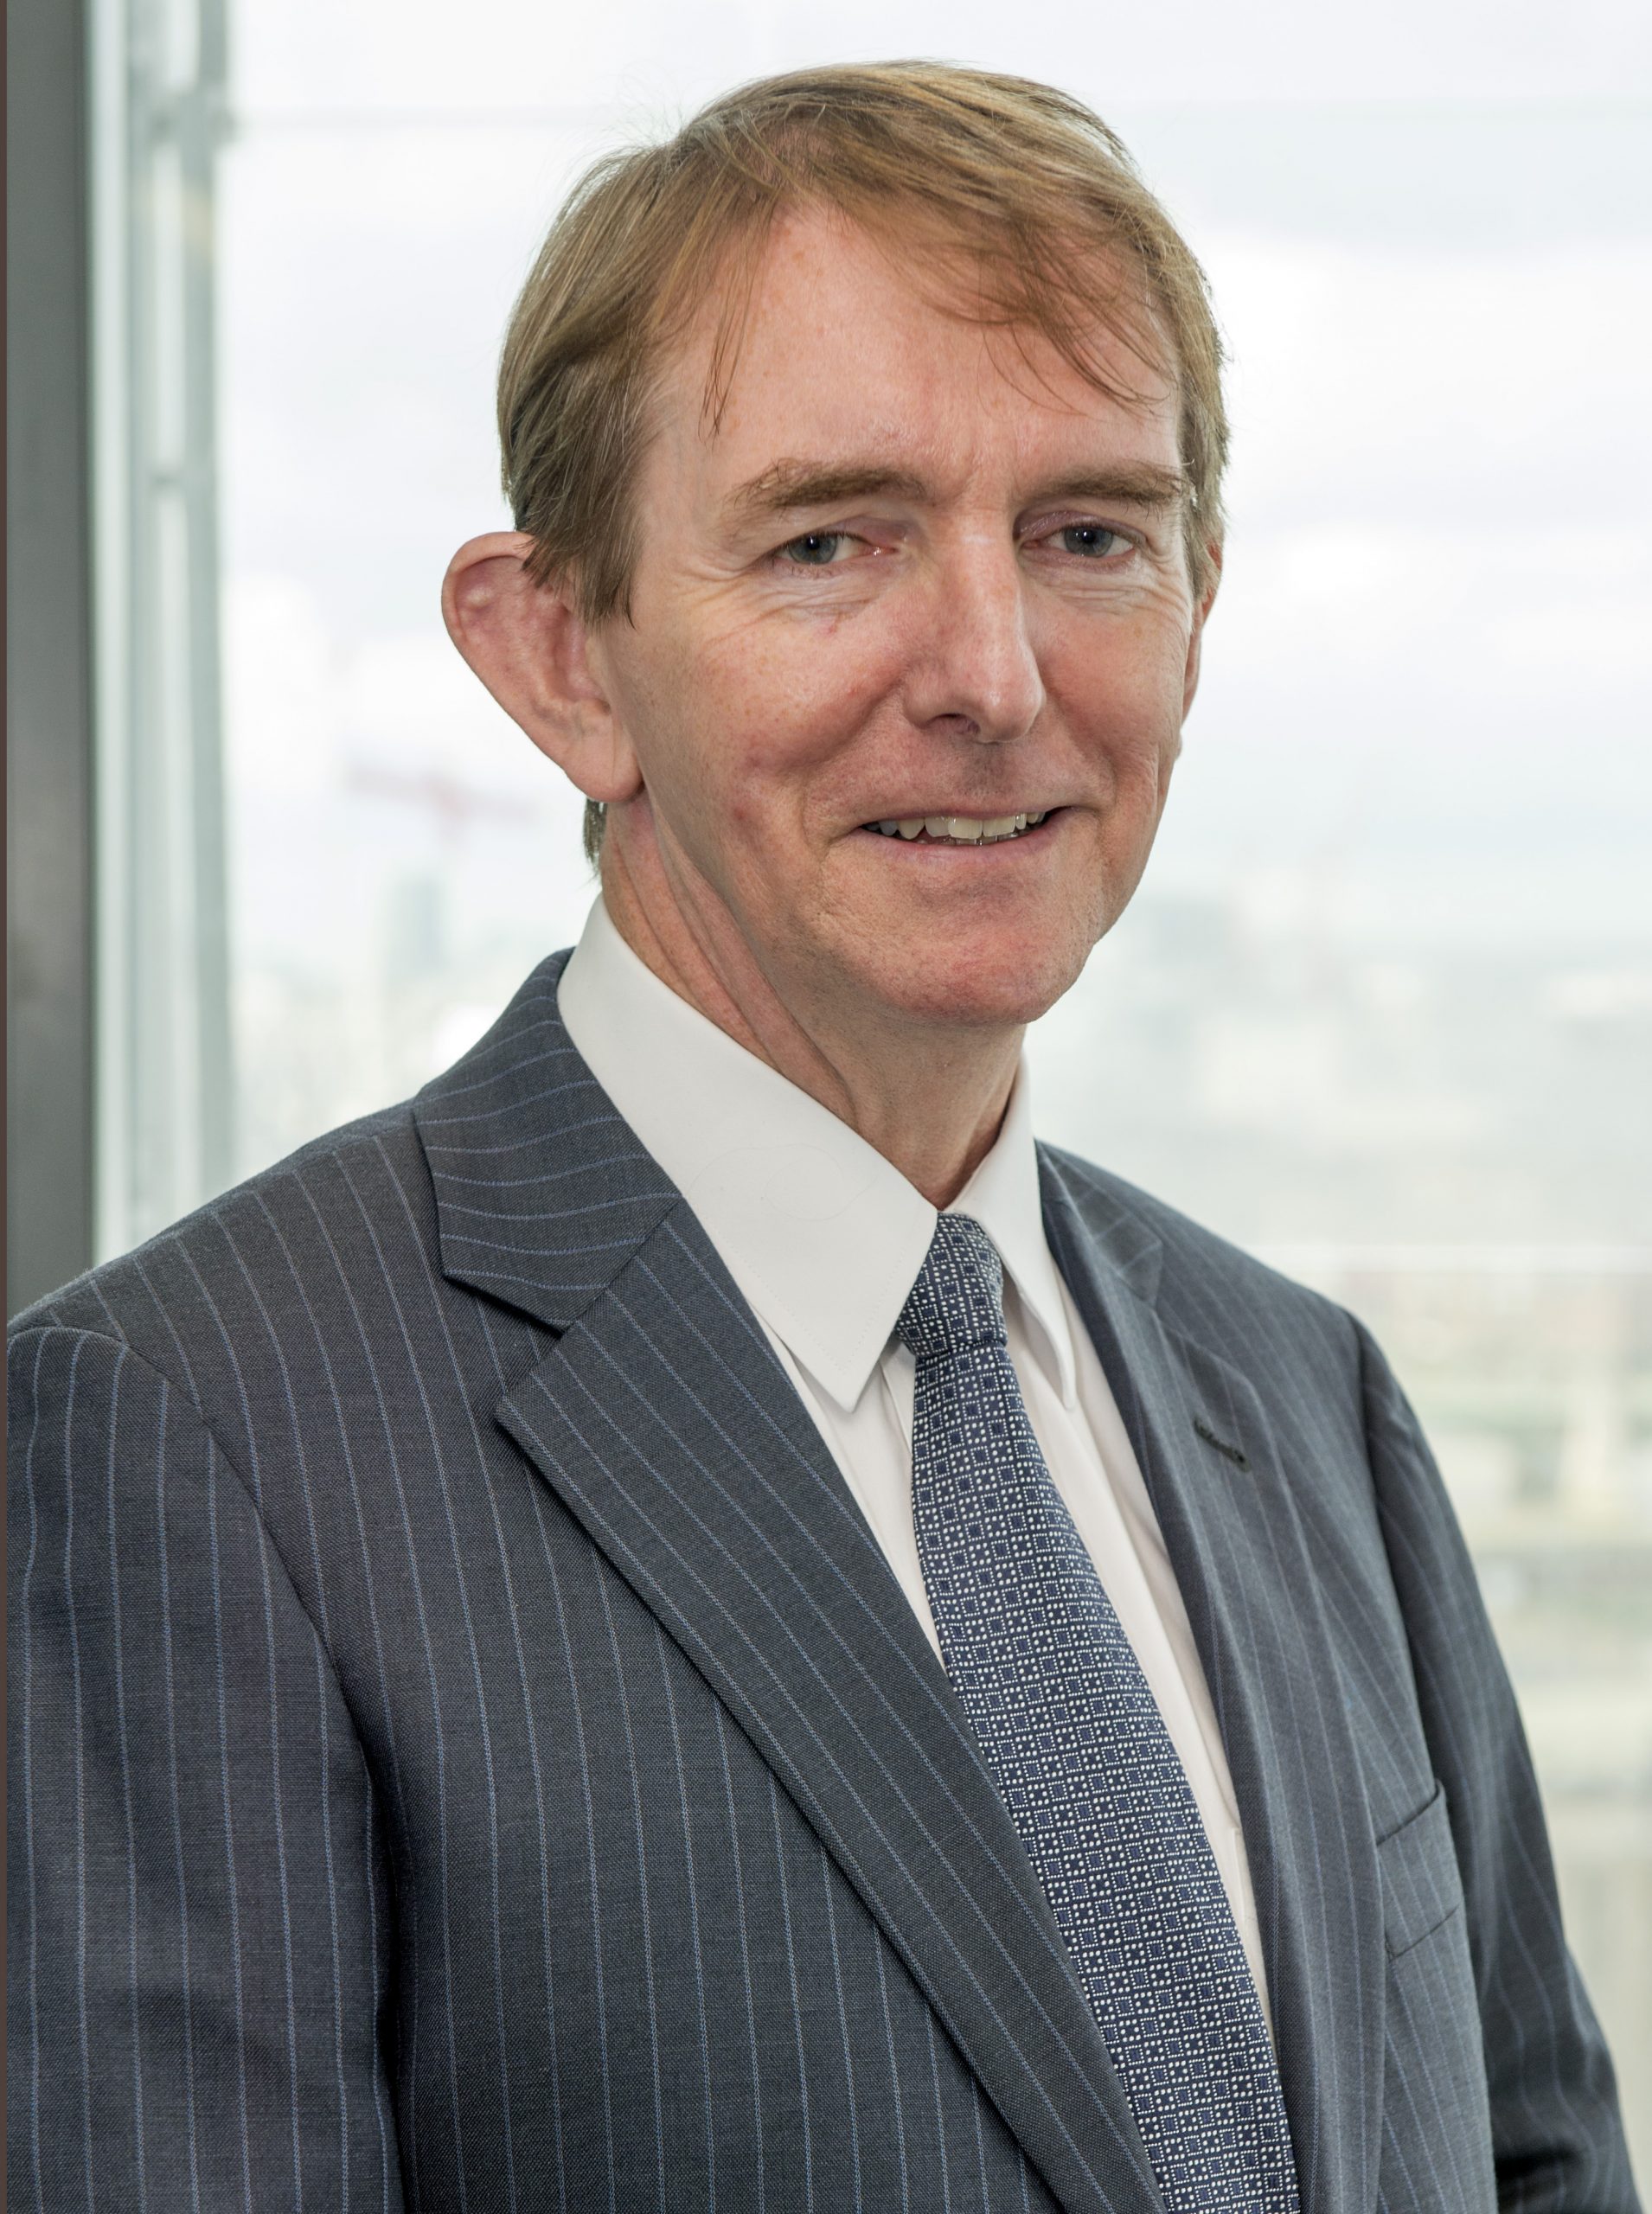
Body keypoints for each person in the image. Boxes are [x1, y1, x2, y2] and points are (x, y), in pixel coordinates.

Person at [7, 60, 1639, 2214]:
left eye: (1088, 536)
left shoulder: (1306, 1399)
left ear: (1199, 598)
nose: (989, 670)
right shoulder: (203, 1429)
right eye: (828, 539)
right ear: (561, 655)